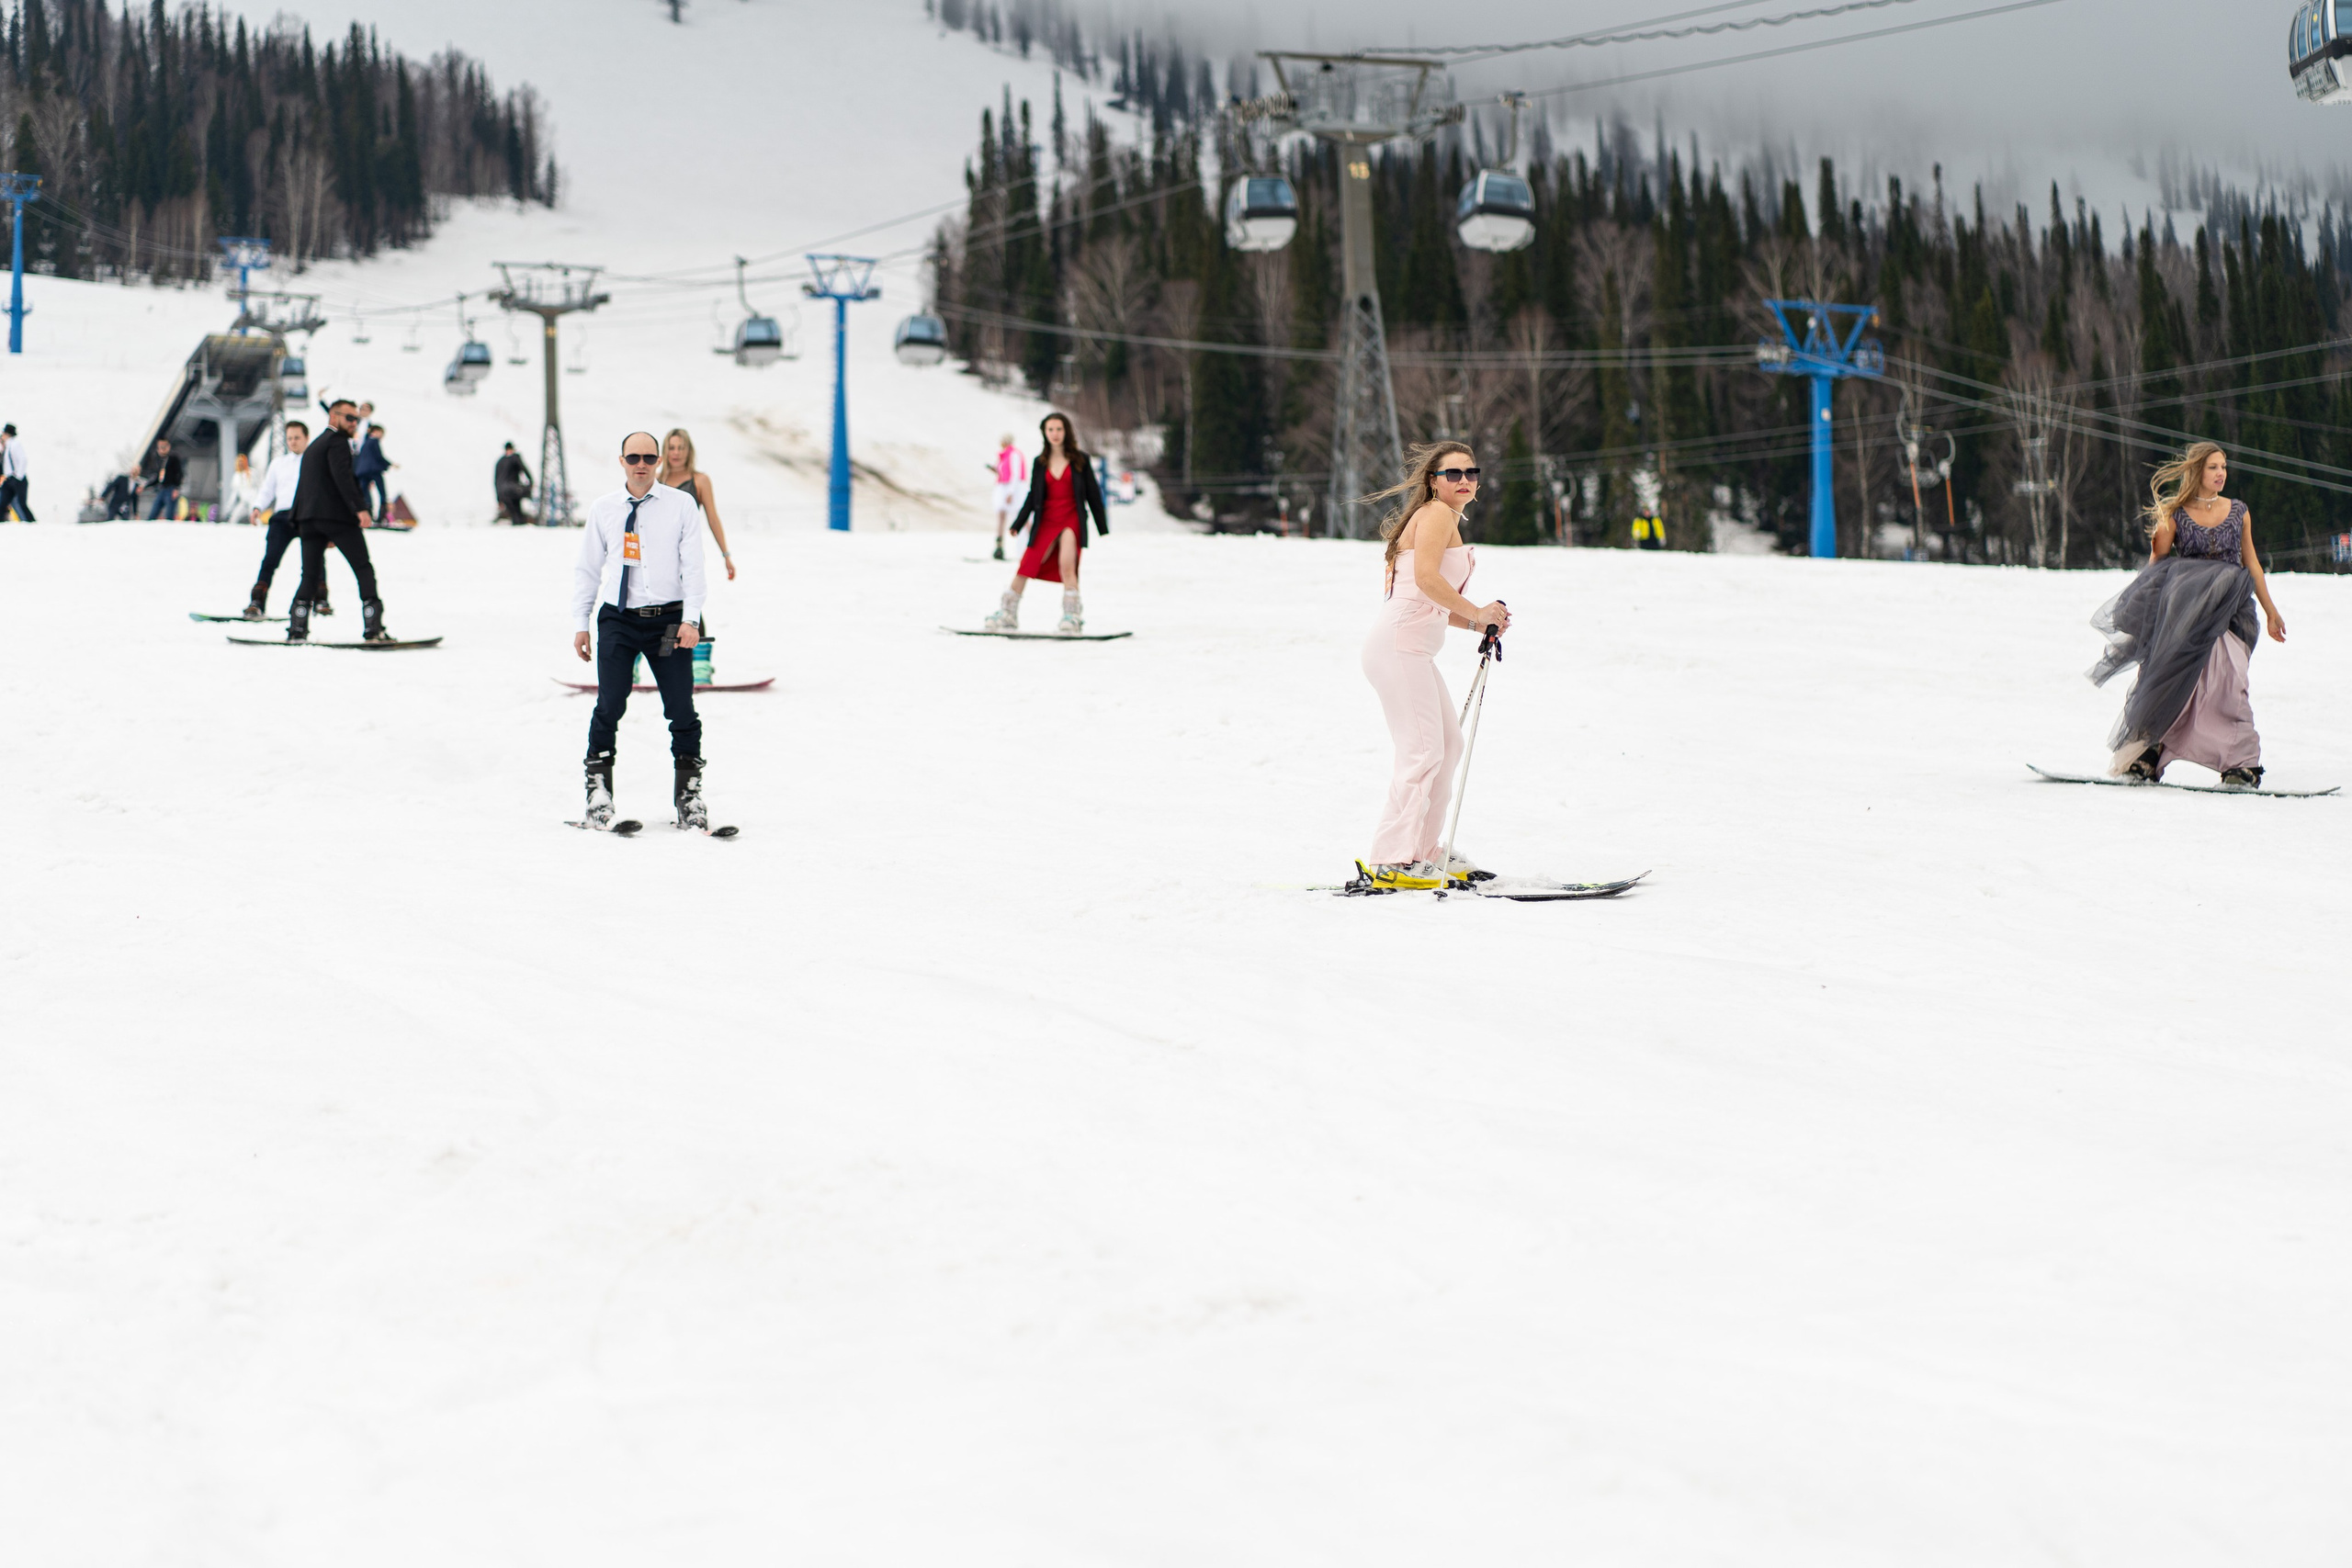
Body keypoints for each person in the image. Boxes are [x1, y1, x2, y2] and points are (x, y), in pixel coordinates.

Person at [1356, 443, 1511, 891]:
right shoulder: (1438, 514)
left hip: (1409, 649)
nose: (1464, 481)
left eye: (1471, 472)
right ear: (1433, 481)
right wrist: (1478, 611)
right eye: (1452, 474)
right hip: (1399, 648)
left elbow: (1431, 600)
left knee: (1448, 745)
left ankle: (1423, 851)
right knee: (1423, 752)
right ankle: (1393, 858)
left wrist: (1479, 621)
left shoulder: (1439, 516)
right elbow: (1426, 580)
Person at [2090, 441, 2286, 788]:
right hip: (2185, 615)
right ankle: (2147, 755)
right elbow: (2157, 568)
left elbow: (2251, 563)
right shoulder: (2175, 514)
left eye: (2224, 466)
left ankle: (2241, 764)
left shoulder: (2239, 511)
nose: (2221, 473)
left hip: (2231, 614)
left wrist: (2271, 612)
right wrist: (2147, 614)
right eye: (2213, 467)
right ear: (2197, 471)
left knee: (2229, 684)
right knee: (2168, 680)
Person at [571, 432, 711, 831]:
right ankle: (598, 794)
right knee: (610, 704)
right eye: (634, 456)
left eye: (649, 457)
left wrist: (691, 618)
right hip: (618, 619)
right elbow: (587, 568)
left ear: (659, 461)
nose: (642, 464)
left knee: (681, 708)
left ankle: (689, 797)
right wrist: (581, 623)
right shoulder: (604, 509)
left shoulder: (681, 505)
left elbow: (695, 565)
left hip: (668, 620)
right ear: (621, 461)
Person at [983, 411, 1109, 635]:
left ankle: (1072, 616)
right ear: (1045, 433)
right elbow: (1033, 495)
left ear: (1066, 431)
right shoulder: (1040, 463)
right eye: (1050, 429)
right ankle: (1008, 613)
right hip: (1046, 520)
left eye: (1059, 429)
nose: (1055, 434)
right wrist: (1019, 523)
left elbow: (1092, 493)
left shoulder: (1080, 460)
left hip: (1070, 518)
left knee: (1067, 566)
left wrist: (1102, 526)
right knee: (1027, 564)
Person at [287, 399, 391, 643]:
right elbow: (343, 478)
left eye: (357, 419)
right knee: (363, 569)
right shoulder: (338, 443)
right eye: (350, 418)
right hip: (335, 517)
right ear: (334, 417)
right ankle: (373, 629)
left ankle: (297, 630)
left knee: (309, 575)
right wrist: (361, 509)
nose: (355, 423)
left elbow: (308, 485)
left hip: (308, 520)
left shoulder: (314, 445)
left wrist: (307, 522)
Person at [241, 423, 311, 618]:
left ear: (306, 438)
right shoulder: (278, 464)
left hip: (307, 516)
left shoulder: (314, 462)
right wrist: (257, 507)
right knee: (270, 560)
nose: (293, 442)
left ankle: (320, 600)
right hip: (282, 517)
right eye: (289, 438)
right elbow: (267, 490)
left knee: (313, 560)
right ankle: (257, 601)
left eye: (297, 438)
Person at [988, 434, 1026, 561]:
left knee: (1020, 517)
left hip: (1013, 489)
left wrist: (1011, 492)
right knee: (1000, 515)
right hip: (1002, 487)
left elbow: (1015, 474)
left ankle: (1027, 547)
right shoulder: (1002, 456)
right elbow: (1003, 472)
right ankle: (999, 546)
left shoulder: (1014, 454)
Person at [353, 421, 392, 520]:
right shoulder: (374, 441)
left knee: (363, 493)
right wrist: (389, 464)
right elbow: (378, 456)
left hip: (363, 472)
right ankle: (382, 515)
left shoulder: (364, 443)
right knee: (382, 492)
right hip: (374, 471)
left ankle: (365, 514)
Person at [141, 437, 184, 520]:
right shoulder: (159, 460)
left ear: (168, 447)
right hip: (161, 489)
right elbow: (158, 478)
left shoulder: (173, 458)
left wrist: (176, 488)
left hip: (171, 488)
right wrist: (145, 486)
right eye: (160, 447)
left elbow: (179, 473)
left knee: (169, 515)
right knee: (153, 514)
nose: (162, 449)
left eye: (164, 446)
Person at [494, 442, 533, 525]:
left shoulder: (499, 462)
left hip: (502, 491)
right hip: (512, 489)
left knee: (513, 512)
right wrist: (531, 482)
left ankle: (517, 525)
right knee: (518, 511)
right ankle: (520, 526)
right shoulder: (515, 458)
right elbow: (524, 469)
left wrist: (498, 499)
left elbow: (496, 481)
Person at [0, 423, 31, 521]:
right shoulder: (7, 446)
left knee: (21, 503)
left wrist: (18, 476)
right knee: (2, 502)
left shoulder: (15, 444)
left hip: (16, 478)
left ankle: (31, 523)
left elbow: (23, 460)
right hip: (9, 479)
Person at [223, 451, 261, 525]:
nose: (241, 463)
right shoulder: (236, 476)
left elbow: (259, 486)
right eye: (239, 462)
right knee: (234, 517)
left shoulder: (252, 472)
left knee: (255, 518)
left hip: (253, 500)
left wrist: (259, 501)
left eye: (242, 461)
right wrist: (228, 507)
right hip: (244, 502)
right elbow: (234, 494)